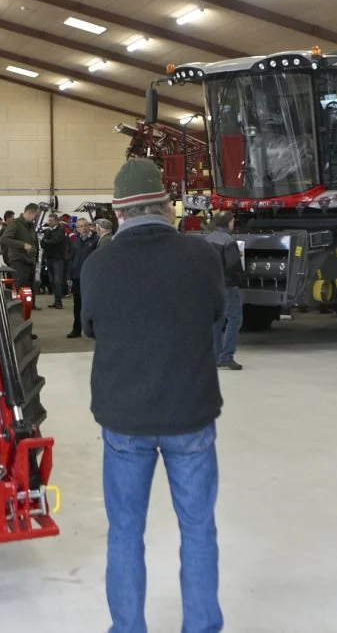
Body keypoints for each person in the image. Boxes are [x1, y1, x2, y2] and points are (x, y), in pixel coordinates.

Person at [80, 158, 226, 633]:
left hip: (125, 418)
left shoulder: (98, 264)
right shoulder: (201, 255)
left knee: (125, 533)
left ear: (118, 213)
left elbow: (91, 329)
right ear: (166, 206)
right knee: (198, 529)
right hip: (190, 413)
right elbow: (215, 316)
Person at [204, 212, 244, 370]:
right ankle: (227, 356)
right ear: (229, 223)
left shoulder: (208, 239)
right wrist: (241, 280)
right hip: (227, 285)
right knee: (234, 319)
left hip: (212, 285)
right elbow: (233, 266)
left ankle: (215, 356)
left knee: (216, 321)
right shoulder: (228, 241)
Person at [0, 203, 41, 309]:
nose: (36, 218)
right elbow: (4, 239)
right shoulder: (15, 224)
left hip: (30, 261)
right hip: (18, 261)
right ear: (30, 212)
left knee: (31, 286)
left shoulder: (31, 226)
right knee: (21, 286)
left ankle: (30, 305)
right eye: (36, 216)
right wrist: (22, 245)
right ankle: (19, 308)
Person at [66, 218, 98, 339]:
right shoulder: (76, 241)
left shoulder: (95, 240)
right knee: (77, 304)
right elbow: (71, 259)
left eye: (86, 225)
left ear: (89, 226)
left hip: (90, 277)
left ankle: (93, 329)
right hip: (77, 277)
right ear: (77, 229)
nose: (84, 228)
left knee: (90, 303)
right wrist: (69, 276)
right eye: (81, 226)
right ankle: (76, 329)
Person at [40, 214, 70, 309]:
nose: (50, 222)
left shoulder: (60, 230)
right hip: (49, 258)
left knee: (57, 281)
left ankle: (58, 302)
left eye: (52, 220)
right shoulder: (48, 231)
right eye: (49, 220)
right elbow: (42, 243)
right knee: (52, 281)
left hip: (58, 259)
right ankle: (56, 300)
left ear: (57, 221)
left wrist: (47, 241)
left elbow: (55, 241)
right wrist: (47, 242)